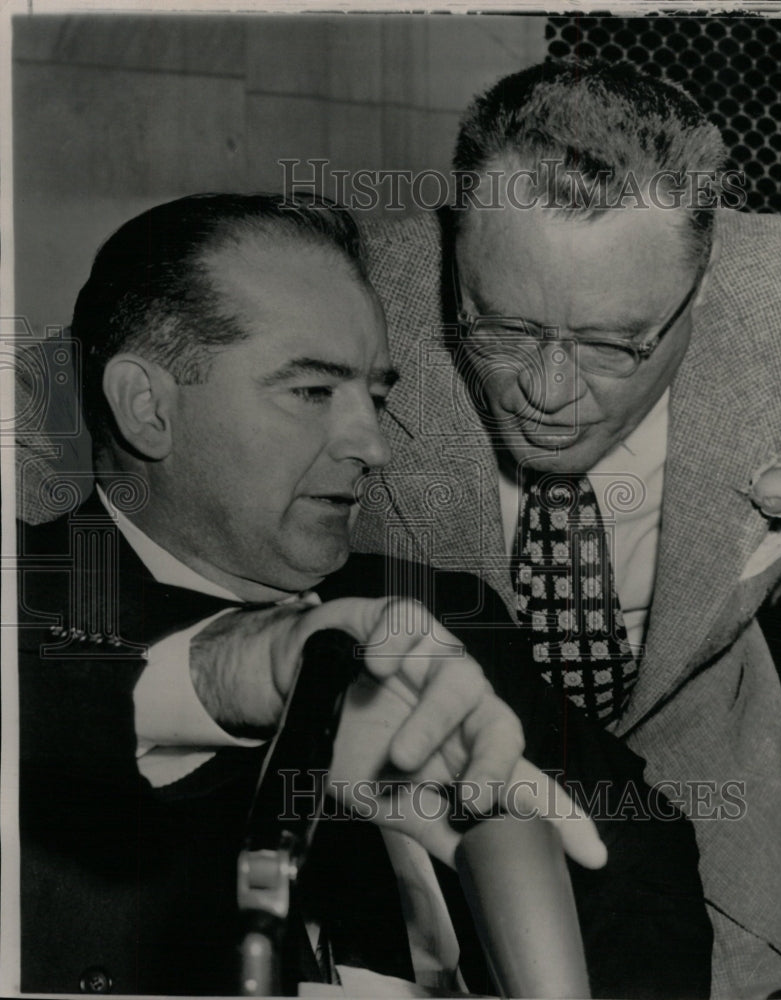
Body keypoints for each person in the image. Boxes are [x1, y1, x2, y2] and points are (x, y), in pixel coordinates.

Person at [16, 193, 713, 997]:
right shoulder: (28, 609)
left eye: (375, 396)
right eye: (312, 392)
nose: (372, 445)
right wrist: (228, 672)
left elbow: (638, 849)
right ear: (147, 406)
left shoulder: (445, 618)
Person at [348, 59, 781, 998]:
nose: (549, 395)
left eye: (612, 345)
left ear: (704, 282)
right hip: (409, 803)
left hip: (704, 798)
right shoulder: (345, 290)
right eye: (501, 330)